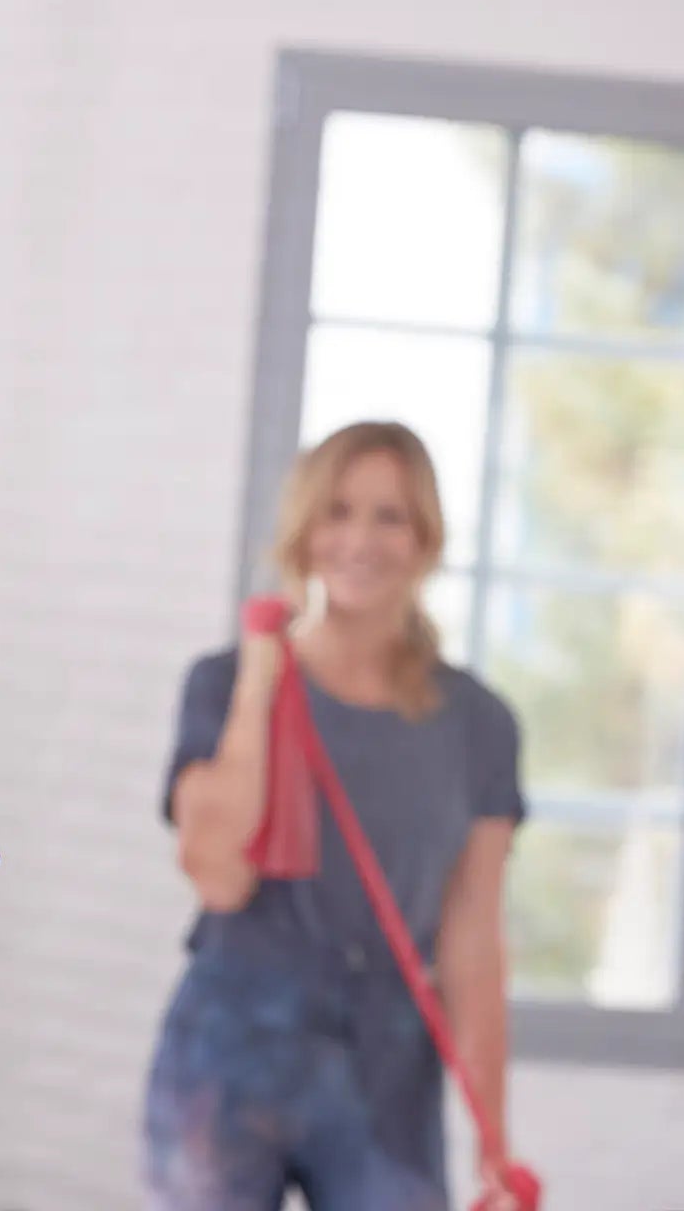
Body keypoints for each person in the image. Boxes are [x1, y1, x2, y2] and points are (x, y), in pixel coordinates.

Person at [143, 421, 524, 1211]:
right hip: (232, 1038)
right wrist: (260, 682)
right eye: (338, 511)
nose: (360, 539)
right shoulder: (222, 685)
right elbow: (218, 877)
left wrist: (493, 1134)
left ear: (425, 537)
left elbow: (472, 937)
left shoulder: (478, 722)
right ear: (304, 529)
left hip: (389, 1067)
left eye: (390, 516)